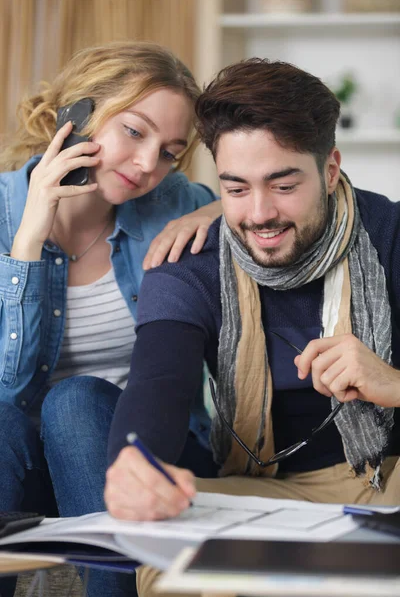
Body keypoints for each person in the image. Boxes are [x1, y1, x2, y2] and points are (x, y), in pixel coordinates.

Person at [104, 58, 400, 595]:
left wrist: (395, 384)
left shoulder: (392, 233)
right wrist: (134, 463)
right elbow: (158, 382)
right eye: (236, 189)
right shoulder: (188, 263)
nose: (260, 214)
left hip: (393, 473)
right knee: (169, 568)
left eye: (283, 184)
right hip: (265, 491)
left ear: (330, 170)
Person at [0, 41, 221, 597]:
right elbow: (7, 390)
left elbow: (258, 199)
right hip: (21, 464)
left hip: (142, 458)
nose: (150, 165)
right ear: (78, 115)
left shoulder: (170, 203)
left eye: (170, 151)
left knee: (74, 401)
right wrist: (27, 242)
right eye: (134, 131)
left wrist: (211, 208)